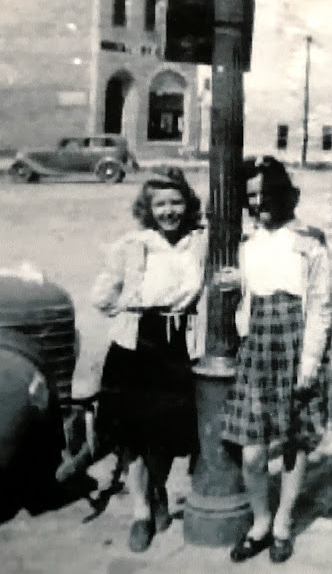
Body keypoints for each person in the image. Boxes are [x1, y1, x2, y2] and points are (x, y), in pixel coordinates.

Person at [221, 156, 332, 564]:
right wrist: (237, 283)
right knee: (253, 453)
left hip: (296, 347)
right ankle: (260, 521)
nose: (259, 202)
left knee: (294, 441)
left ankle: (283, 523)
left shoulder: (310, 241)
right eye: (251, 196)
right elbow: (253, 284)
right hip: (257, 348)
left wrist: (309, 365)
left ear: (285, 193)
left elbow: (321, 307)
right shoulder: (247, 241)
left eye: (266, 193)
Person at [91, 166, 207, 553]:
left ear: (188, 205)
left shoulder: (199, 242)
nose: (169, 211)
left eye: (176, 202)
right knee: (133, 434)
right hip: (136, 343)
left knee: (168, 430)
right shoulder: (132, 244)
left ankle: (157, 488)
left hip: (179, 344)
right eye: (160, 204)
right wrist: (130, 307)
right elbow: (101, 296)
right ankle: (142, 511)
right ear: (148, 208)